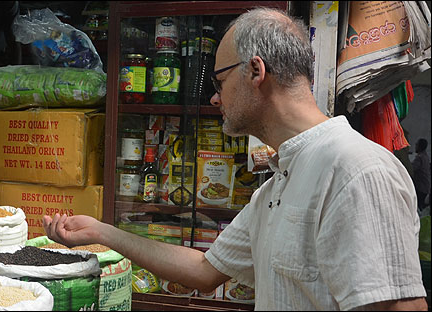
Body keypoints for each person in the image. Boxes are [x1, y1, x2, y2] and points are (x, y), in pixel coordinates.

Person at [43, 7, 428, 311]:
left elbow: (401, 307)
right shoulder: (278, 185)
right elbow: (205, 270)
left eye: (219, 81)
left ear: (256, 71)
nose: (215, 98)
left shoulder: (356, 170)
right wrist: (101, 233)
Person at [412, 138, 431, 211]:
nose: (415, 146)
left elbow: (412, 168)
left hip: (421, 187)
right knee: (421, 206)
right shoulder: (426, 156)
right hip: (425, 187)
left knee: (418, 207)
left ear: (420, 146)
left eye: (416, 145)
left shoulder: (419, 158)